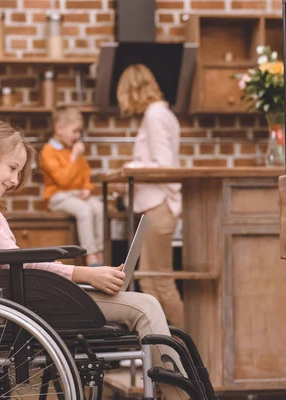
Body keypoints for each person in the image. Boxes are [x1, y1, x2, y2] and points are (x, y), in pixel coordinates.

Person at [0, 118, 189, 400]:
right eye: (12, 168)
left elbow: (16, 263)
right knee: (145, 307)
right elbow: (15, 263)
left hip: (28, 295)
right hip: (27, 302)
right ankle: (180, 395)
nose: (15, 180)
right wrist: (86, 275)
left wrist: (83, 275)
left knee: (143, 303)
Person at [116, 64, 184, 328]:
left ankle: (184, 351)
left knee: (162, 281)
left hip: (158, 207)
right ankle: (159, 349)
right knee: (147, 278)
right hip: (155, 207)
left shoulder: (155, 115)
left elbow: (164, 165)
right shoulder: (159, 113)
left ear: (133, 90)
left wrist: (131, 169)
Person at [39, 107, 104, 266]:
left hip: (76, 194)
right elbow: (62, 180)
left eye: (79, 131)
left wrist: (87, 188)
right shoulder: (48, 151)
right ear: (59, 129)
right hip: (57, 196)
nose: (78, 136)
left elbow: (85, 172)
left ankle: (100, 250)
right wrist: (74, 157)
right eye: (75, 131)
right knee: (84, 210)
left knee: (98, 207)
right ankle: (91, 254)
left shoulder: (72, 150)